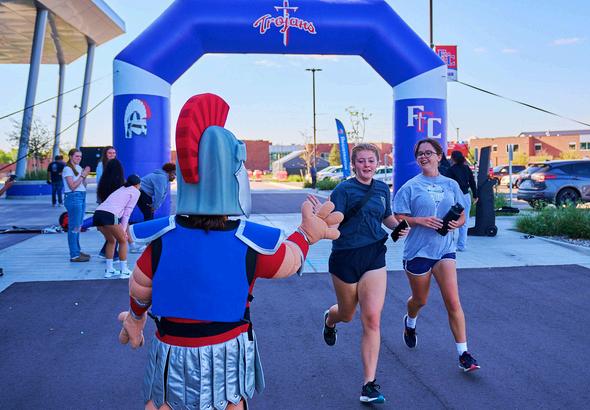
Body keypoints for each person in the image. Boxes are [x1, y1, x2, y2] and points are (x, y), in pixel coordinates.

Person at [116, 93, 342, 410]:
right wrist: (306, 234)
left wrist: (136, 319)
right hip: (226, 352)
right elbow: (290, 261)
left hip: (170, 350)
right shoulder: (249, 242)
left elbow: (140, 288)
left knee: (163, 404)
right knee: (230, 403)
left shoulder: (162, 239)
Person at [313, 143, 408, 404]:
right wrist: (321, 218)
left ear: (377, 163)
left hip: (374, 255)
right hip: (345, 257)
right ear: (354, 164)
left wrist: (399, 226)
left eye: (371, 161)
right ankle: (330, 319)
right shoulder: (343, 190)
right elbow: (333, 219)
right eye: (362, 161)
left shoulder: (382, 189)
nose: (367, 165)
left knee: (372, 319)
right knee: (347, 313)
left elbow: (386, 217)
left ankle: (368, 385)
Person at [393, 138, 480, 372]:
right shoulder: (410, 187)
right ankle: (410, 321)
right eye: (420, 154)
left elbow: (462, 213)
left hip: (444, 250)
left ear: (439, 156)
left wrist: (457, 223)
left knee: (453, 301)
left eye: (429, 152)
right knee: (420, 300)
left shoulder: (451, 184)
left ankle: (464, 354)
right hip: (418, 251)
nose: (424, 156)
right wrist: (419, 220)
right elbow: (398, 216)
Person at [94, 174, 141, 278]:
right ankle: (124, 271)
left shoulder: (122, 188)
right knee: (123, 241)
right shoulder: (136, 191)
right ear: (137, 185)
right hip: (110, 215)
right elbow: (127, 213)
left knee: (111, 241)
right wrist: (123, 230)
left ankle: (109, 270)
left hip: (97, 214)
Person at [445, 150, 478, 251]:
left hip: (454, 196)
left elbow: (447, 185)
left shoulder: (450, 170)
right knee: (465, 220)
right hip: (465, 195)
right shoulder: (466, 168)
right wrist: (475, 195)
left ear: (453, 158)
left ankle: (449, 244)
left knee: (451, 219)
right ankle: (461, 245)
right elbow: (472, 182)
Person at [62, 149, 91, 262]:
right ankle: (74, 254)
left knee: (78, 226)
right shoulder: (67, 169)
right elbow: (72, 186)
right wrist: (83, 175)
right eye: (76, 156)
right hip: (73, 197)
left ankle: (77, 251)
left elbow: (83, 185)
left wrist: (85, 175)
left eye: (80, 156)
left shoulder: (78, 168)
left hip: (81, 196)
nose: (79, 158)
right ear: (70, 156)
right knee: (74, 227)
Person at [96, 158, 126, 259]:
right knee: (119, 237)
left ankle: (105, 253)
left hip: (102, 211)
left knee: (110, 238)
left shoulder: (102, 182)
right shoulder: (119, 183)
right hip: (114, 212)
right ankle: (115, 257)